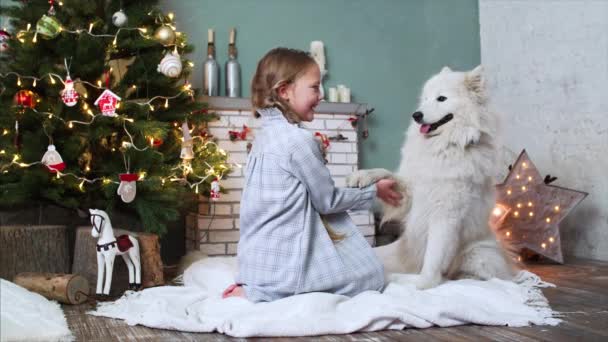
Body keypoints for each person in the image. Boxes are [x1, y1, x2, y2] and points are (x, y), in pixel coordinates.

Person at [222, 48, 402, 302]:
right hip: (287, 267)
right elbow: (327, 202)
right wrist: (373, 191)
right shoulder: (299, 142)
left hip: (255, 263)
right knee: (371, 275)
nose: (321, 95)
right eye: (315, 88)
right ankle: (270, 291)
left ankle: (260, 286)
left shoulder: (263, 138)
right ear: (284, 91)